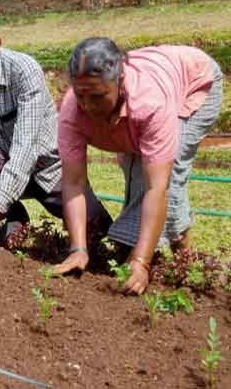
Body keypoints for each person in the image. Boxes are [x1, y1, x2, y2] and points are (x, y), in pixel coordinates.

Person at [0, 7, 111, 250]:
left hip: (53, 172)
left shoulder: (24, 71)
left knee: (100, 231)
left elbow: (26, 151)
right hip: (7, 171)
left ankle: (4, 210)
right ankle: (15, 215)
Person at [54, 38, 222, 295]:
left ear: (120, 81)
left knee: (169, 178)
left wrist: (140, 261)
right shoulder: (72, 110)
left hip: (194, 83)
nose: (87, 106)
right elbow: (73, 182)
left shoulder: (149, 103)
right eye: (81, 95)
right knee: (137, 178)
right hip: (146, 96)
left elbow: (158, 187)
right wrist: (78, 249)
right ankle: (176, 260)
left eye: (98, 96)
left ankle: (184, 261)